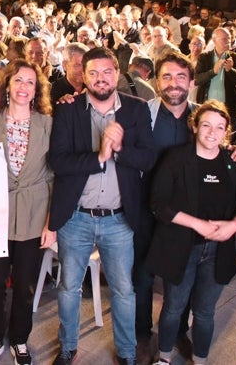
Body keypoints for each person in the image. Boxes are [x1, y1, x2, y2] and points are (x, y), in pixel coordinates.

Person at [47, 46, 156, 365]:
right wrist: (99, 158)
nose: (100, 78)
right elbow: (58, 161)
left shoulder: (137, 110)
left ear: (118, 73)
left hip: (119, 220)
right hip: (75, 218)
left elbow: (148, 159)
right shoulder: (68, 109)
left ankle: (126, 352)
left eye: (107, 71)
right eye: (93, 72)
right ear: (84, 75)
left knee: (124, 291)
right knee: (68, 287)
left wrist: (120, 149)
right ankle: (68, 346)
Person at [147, 101, 236, 365]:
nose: (212, 132)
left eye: (219, 127)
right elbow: (158, 204)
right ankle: (164, 357)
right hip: (181, 247)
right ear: (194, 126)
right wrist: (198, 224)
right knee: (173, 307)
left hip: (219, 250)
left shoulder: (234, 161)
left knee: (205, 312)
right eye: (206, 125)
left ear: (226, 131)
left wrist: (234, 224)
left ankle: (201, 359)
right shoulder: (176, 158)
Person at [0, 60, 54, 365]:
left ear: (37, 90)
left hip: (35, 214)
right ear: (7, 85)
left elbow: (53, 176)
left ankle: (20, 338)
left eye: (30, 83)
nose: (23, 87)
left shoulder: (48, 124)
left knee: (25, 284)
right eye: (18, 80)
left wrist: (52, 223)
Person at [194, 27, 236, 122]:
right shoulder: (204, 57)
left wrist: (231, 71)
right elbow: (196, 80)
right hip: (206, 105)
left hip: (228, 107)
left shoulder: (235, 58)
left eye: (230, 38)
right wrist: (212, 72)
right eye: (224, 39)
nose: (228, 41)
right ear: (214, 40)